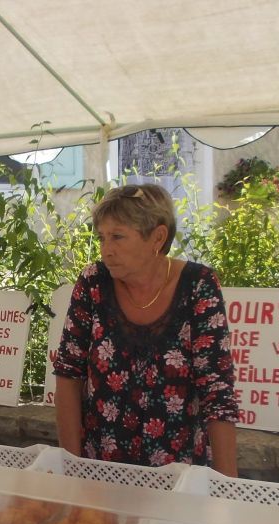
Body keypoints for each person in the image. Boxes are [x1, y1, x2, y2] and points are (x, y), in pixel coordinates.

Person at [53, 183, 239, 476]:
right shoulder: (93, 283)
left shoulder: (199, 286)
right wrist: (72, 469)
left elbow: (217, 391)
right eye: (101, 238)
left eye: (117, 237)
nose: (106, 250)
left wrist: (228, 487)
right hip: (101, 469)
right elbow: (68, 374)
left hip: (179, 475)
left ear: (158, 237)